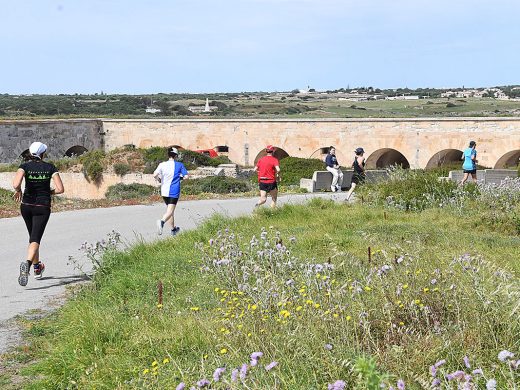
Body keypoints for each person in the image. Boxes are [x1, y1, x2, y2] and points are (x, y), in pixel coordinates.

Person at [12, 142, 64, 287]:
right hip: (42, 206)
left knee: (33, 237)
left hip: (26, 206)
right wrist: (49, 192)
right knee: (36, 238)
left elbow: (16, 184)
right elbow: (60, 189)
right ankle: (27, 265)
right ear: (43, 153)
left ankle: (37, 268)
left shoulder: (24, 166)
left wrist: (18, 191)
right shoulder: (50, 167)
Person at [154, 147, 189, 236]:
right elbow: (186, 177)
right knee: (170, 211)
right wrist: (181, 178)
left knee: (170, 211)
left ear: (168, 155)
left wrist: (159, 179)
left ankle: (173, 230)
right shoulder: (179, 165)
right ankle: (161, 222)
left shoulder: (162, 164)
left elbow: (155, 174)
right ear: (176, 156)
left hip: (164, 191)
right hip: (174, 190)